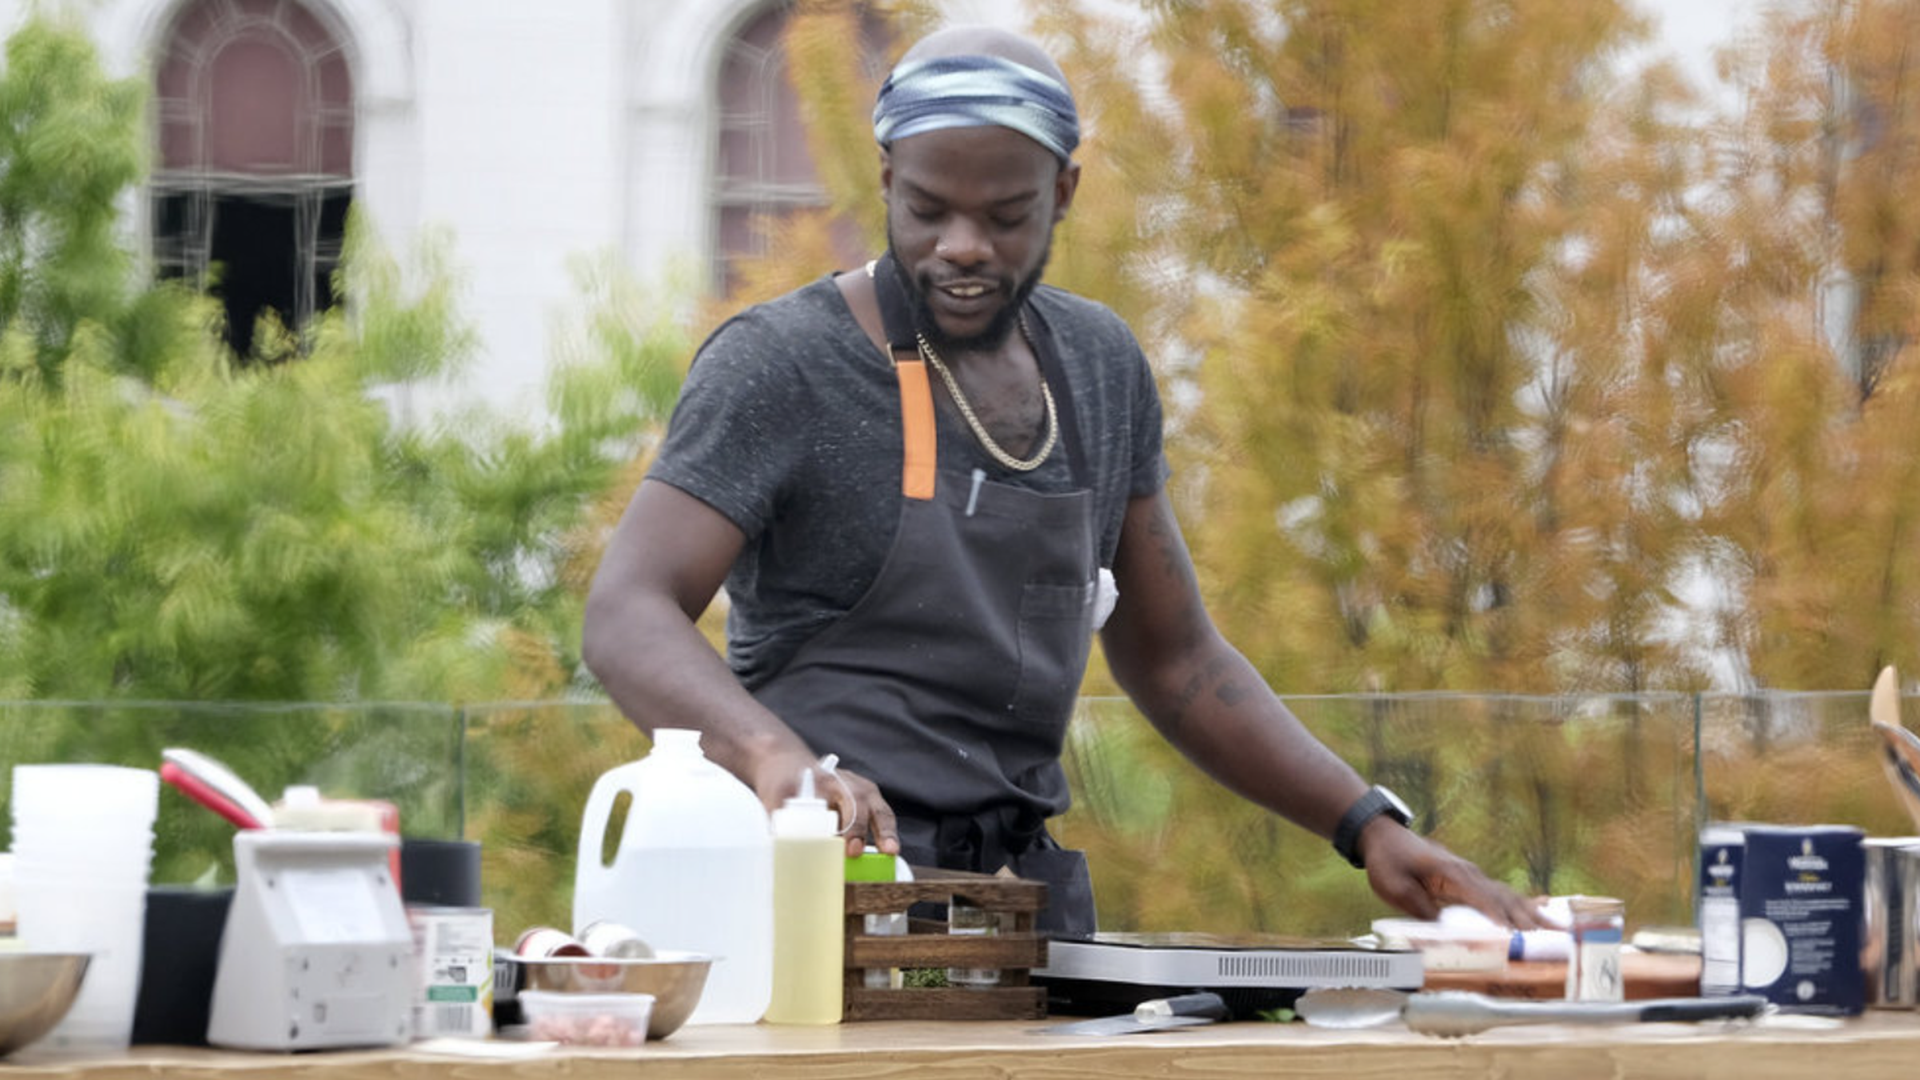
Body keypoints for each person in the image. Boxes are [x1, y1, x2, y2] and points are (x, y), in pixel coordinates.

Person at [583, 24, 1540, 936]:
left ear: (1065, 191)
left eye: (1006, 216)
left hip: (1015, 919)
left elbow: (1178, 661)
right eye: (926, 210)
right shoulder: (783, 365)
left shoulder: (1098, 367)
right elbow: (627, 612)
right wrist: (777, 764)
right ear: (884, 179)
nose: (963, 244)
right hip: (819, 907)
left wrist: (1367, 823)